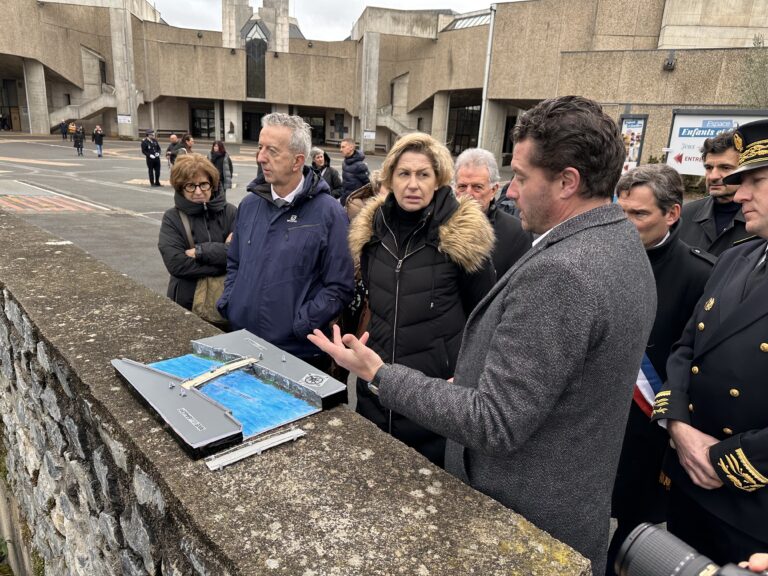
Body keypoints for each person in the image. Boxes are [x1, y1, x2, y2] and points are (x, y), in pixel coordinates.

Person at [310, 96, 657, 576]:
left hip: (524, 518)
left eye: (521, 176)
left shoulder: (563, 272)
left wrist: (378, 373)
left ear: (567, 181)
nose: (509, 192)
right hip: (571, 504)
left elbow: (495, 423)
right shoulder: (620, 241)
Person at [650, 118, 768, 567]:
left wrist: (723, 459)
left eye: (755, 181)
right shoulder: (737, 257)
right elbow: (686, 350)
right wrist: (679, 429)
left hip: (751, 509)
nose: (739, 195)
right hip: (688, 485)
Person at [347, 132, 496, 467]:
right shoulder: (372, 233)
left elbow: (486, 318)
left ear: (439, 180)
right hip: (377, 385)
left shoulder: (463, 237)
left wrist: (468, 377)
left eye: (423, 174)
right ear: (389, 179)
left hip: (435, 394)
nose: (413, 184)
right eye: (404, 174)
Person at [608, 164, 715, 574]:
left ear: (672, 214)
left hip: (649, 424)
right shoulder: (604, 257)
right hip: (599, 415)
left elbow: (695, 358)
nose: (627, 224)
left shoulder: (699, 273)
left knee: (634, 530)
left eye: (640, 215)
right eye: (622, 212)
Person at [218, 113, 354, 372]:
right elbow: (235, 262)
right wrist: (230, 303)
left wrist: (299, 325)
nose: (260, 157)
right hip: (242, 341)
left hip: (297, 355)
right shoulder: (248, 206)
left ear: (297, 161)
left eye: (272, 150)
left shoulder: (329, 213)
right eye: (260, 147)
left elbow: (340, 287)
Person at [158, 154, 236, 315]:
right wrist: (224, 260)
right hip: (187, 302)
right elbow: (177, 264)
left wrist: (201, 252)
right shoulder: (172, 218)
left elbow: (243, 254)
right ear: (180, 188)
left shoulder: (230, 212)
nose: (198, 191)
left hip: (228, 300)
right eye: (190, 186)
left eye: (204, 184)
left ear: (212, 184)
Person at [454, 148, 532, 276]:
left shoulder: (517, 233)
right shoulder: (439, 226)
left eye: (477, 187)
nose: (468, 194)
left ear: (494, 190)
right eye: (462, 186)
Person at [679, 130, 751, 256]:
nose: (713, 176)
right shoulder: (684, 215)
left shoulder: (761, 221)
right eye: (709, 168)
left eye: (726, 168)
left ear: (747, 171)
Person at [340, 137, 370, 206]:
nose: (340, 150)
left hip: (354, 204)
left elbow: (369, 186)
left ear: (351, 148)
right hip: (344, 201)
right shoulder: (344, 162)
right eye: (341, 147)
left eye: (343, 147)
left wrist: (359, 200)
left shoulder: (360, 166)